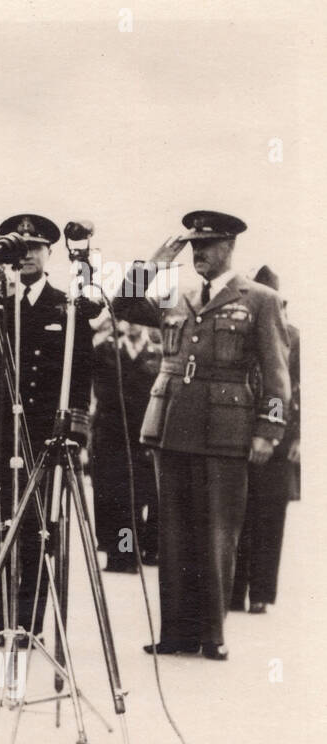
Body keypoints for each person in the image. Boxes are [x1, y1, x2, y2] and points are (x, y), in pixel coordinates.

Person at [111, 211, 290, 660]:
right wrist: (154, 263)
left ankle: (211, 633)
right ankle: (176, 633)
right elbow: (124, 306)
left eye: (206, 246)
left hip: (225, 429)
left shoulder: (260, 298)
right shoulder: (180, 295)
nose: (198, 255)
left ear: (229, 246)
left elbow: (277, 373)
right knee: (172, 532)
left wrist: (269, 429)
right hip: (171, 424)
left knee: (216, 533)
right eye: (192, 247)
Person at [0, 214, 93, 646]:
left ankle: (26, 618)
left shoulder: (66, 306)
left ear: (49, 254)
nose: (29, 255)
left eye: (37, 247)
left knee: (36, 524)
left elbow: (80, 376)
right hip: (0, 431)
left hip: (43, 433)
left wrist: (75, 433)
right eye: (23, 248)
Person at [231, 264, 299, 615]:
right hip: (239, 434)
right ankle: (233, 590)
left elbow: (289, 390)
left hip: (277, 441)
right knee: (237, 516)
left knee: (269, 520)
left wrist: (288, 434)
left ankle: (259, 593)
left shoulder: (295, 337)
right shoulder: (240, 333)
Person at [90, 314, 161, 572]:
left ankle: (144, 549)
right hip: (111, 434)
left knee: (141, 494)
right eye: (127, 318)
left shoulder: (157, 354)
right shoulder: (105, 349)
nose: (132, 323)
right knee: (115, 496)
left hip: (142, 436)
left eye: (137, 316)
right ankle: (123, 554)